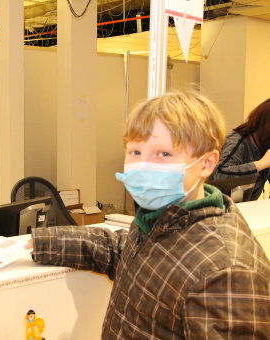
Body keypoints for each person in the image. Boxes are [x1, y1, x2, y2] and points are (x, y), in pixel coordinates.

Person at [27, 92, 270, 339]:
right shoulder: (164, 217)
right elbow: (129, 252)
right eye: (135, 152)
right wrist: (45, 241)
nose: (142, 166)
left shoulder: (226, 272)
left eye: (163, 154)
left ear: (207, 163)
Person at [210, 98, 270, 200]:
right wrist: (261, 164)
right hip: (220, 209)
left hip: (247, 209)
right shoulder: (237, 142)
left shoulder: (265, 145)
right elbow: (219, 175)